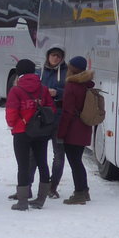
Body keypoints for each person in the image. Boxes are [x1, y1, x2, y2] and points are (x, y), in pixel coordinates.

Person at [4, 58, 54, 211]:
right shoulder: (43, 88)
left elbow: (11, 112)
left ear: (19, 72)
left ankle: (23, 201)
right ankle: (41, 199)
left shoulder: (16, 90)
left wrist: (14, 124)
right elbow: (51, 109)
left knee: (23, 165)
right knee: (42, 162)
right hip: (41, 131)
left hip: (22, 131)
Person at [56, 56, 94, 205]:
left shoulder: (72, 85)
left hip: (73, 129)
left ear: (72, 69)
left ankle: (79, 193)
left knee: (75, 162)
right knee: (78, 161)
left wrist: (61, 133)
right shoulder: (86, 84)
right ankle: (84, 190)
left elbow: (68, 112)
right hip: (84, 126)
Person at [40, 46, 68, 200]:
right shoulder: (40, 72)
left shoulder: (66, 72)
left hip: (59, 117)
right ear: (48, 56)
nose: (55, 58)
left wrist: (58, 93)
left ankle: (53, 186)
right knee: (36, 153)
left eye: (58, 56)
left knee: (58, 154)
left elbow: (70, 92)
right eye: (53, 55)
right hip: (42, 118)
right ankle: (34, 185)